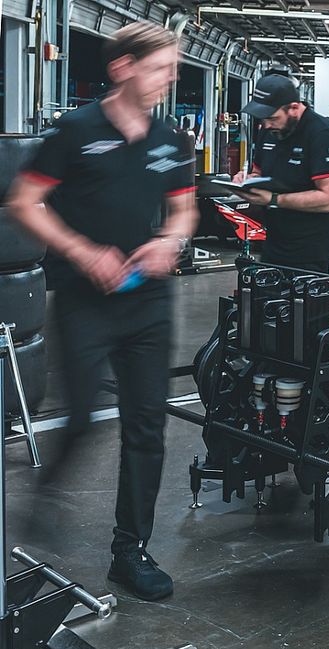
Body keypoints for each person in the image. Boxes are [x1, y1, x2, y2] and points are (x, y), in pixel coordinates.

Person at [6, 21, 197, 601]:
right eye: (162, 67)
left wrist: (171, 241)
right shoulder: (76, 130)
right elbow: (24, 201)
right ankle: (43, 497)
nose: (171, 77)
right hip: (87, 301)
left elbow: (184, 211)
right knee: (85, 412)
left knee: (147, 425)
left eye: (173, 67)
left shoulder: (171, 141)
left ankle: (129, 549)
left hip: (149, 302)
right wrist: (82, 251)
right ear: (124, 68)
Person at [234, 74, 329, 270]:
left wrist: (273, 199)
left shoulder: (323, 133)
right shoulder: (269, 131)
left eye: (272, 118)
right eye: (263, 119)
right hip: (274, 247)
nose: (266, 125)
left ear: (294, 108)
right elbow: (258, 174)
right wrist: (246, 181)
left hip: (316, 254)